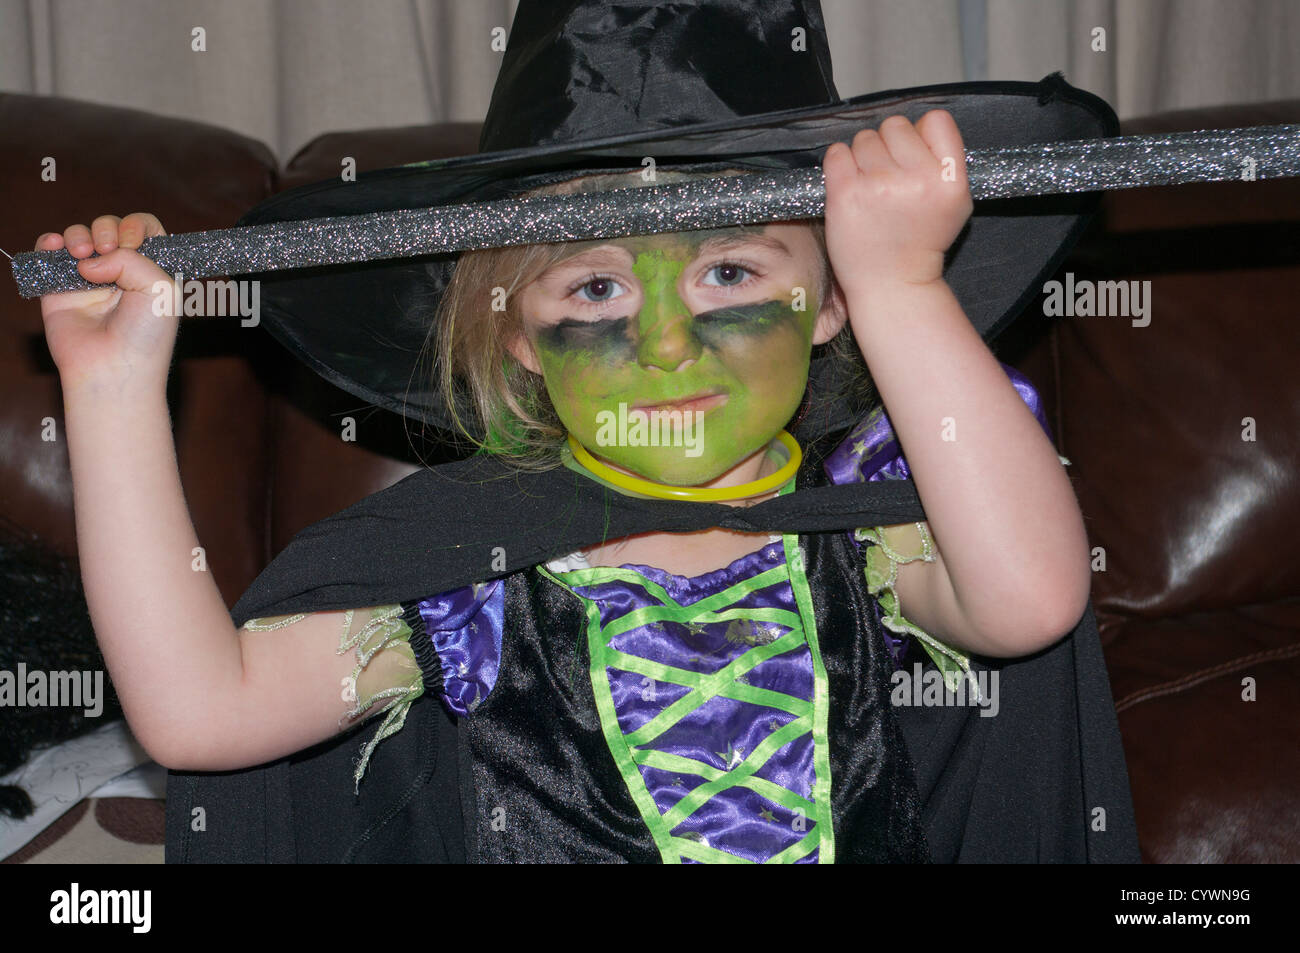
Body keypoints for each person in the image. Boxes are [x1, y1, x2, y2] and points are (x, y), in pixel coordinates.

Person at [34, 0, 1139, 862]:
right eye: (596, 289)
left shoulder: (871, 536)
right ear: (515, 334)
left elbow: (1032, 595)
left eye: (732, 269)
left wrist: (904, 284)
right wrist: (115, 385)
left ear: (829, 300)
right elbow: (196, 712)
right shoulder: (462, 579)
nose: (666, 344)